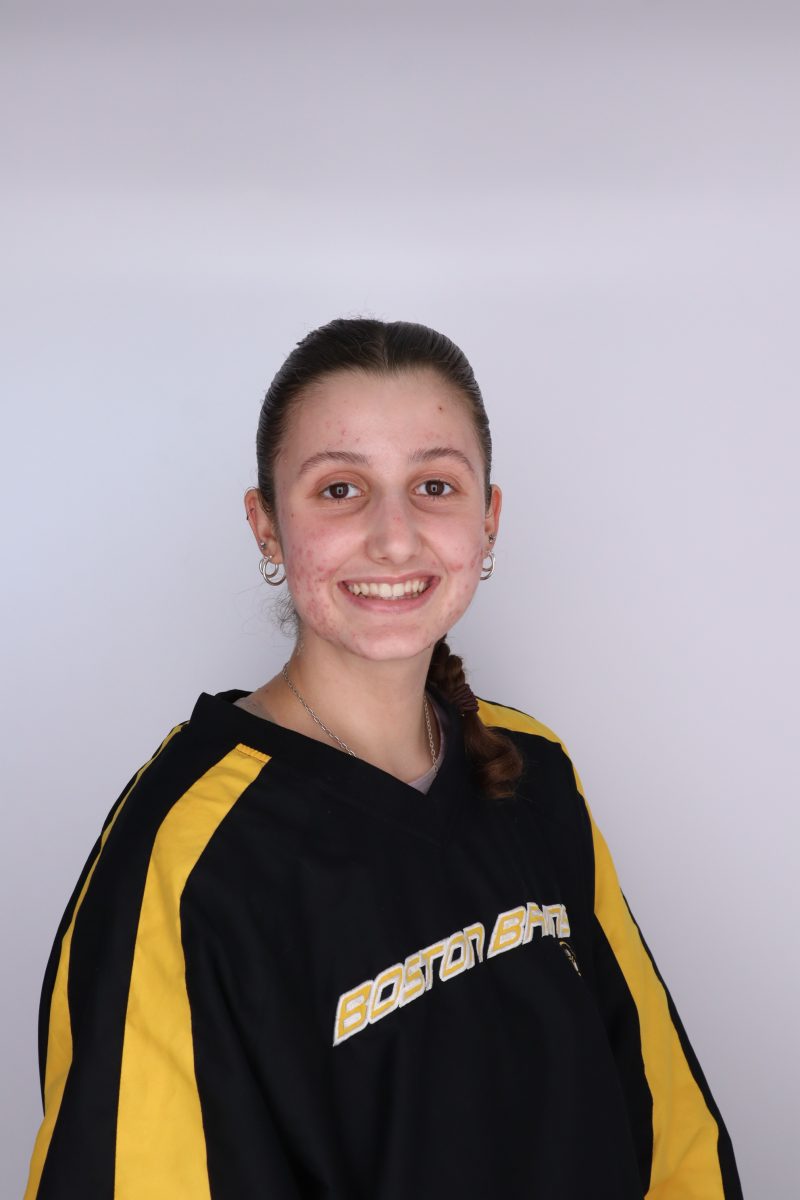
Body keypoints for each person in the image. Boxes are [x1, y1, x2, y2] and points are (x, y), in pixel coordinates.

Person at [24, 317, 743, 1199]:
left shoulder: (535, 767)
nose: (394, 538)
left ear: (489, 519)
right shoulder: (186, 853)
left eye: (434, 485)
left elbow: (669, 1126)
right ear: (266, 525)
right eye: (340, 489)